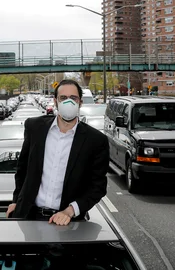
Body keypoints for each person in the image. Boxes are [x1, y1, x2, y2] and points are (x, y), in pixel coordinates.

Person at [7, 79, 110, 226]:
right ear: (55, 101)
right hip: (28, 217)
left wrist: (70, 211)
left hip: (68, 223)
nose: (68, 102)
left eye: (73, 98)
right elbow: (22, 169)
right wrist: (16, 201)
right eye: (63, 98)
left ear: (80, 102)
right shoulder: (35, 128)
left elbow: (97, 187)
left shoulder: (96, 140)